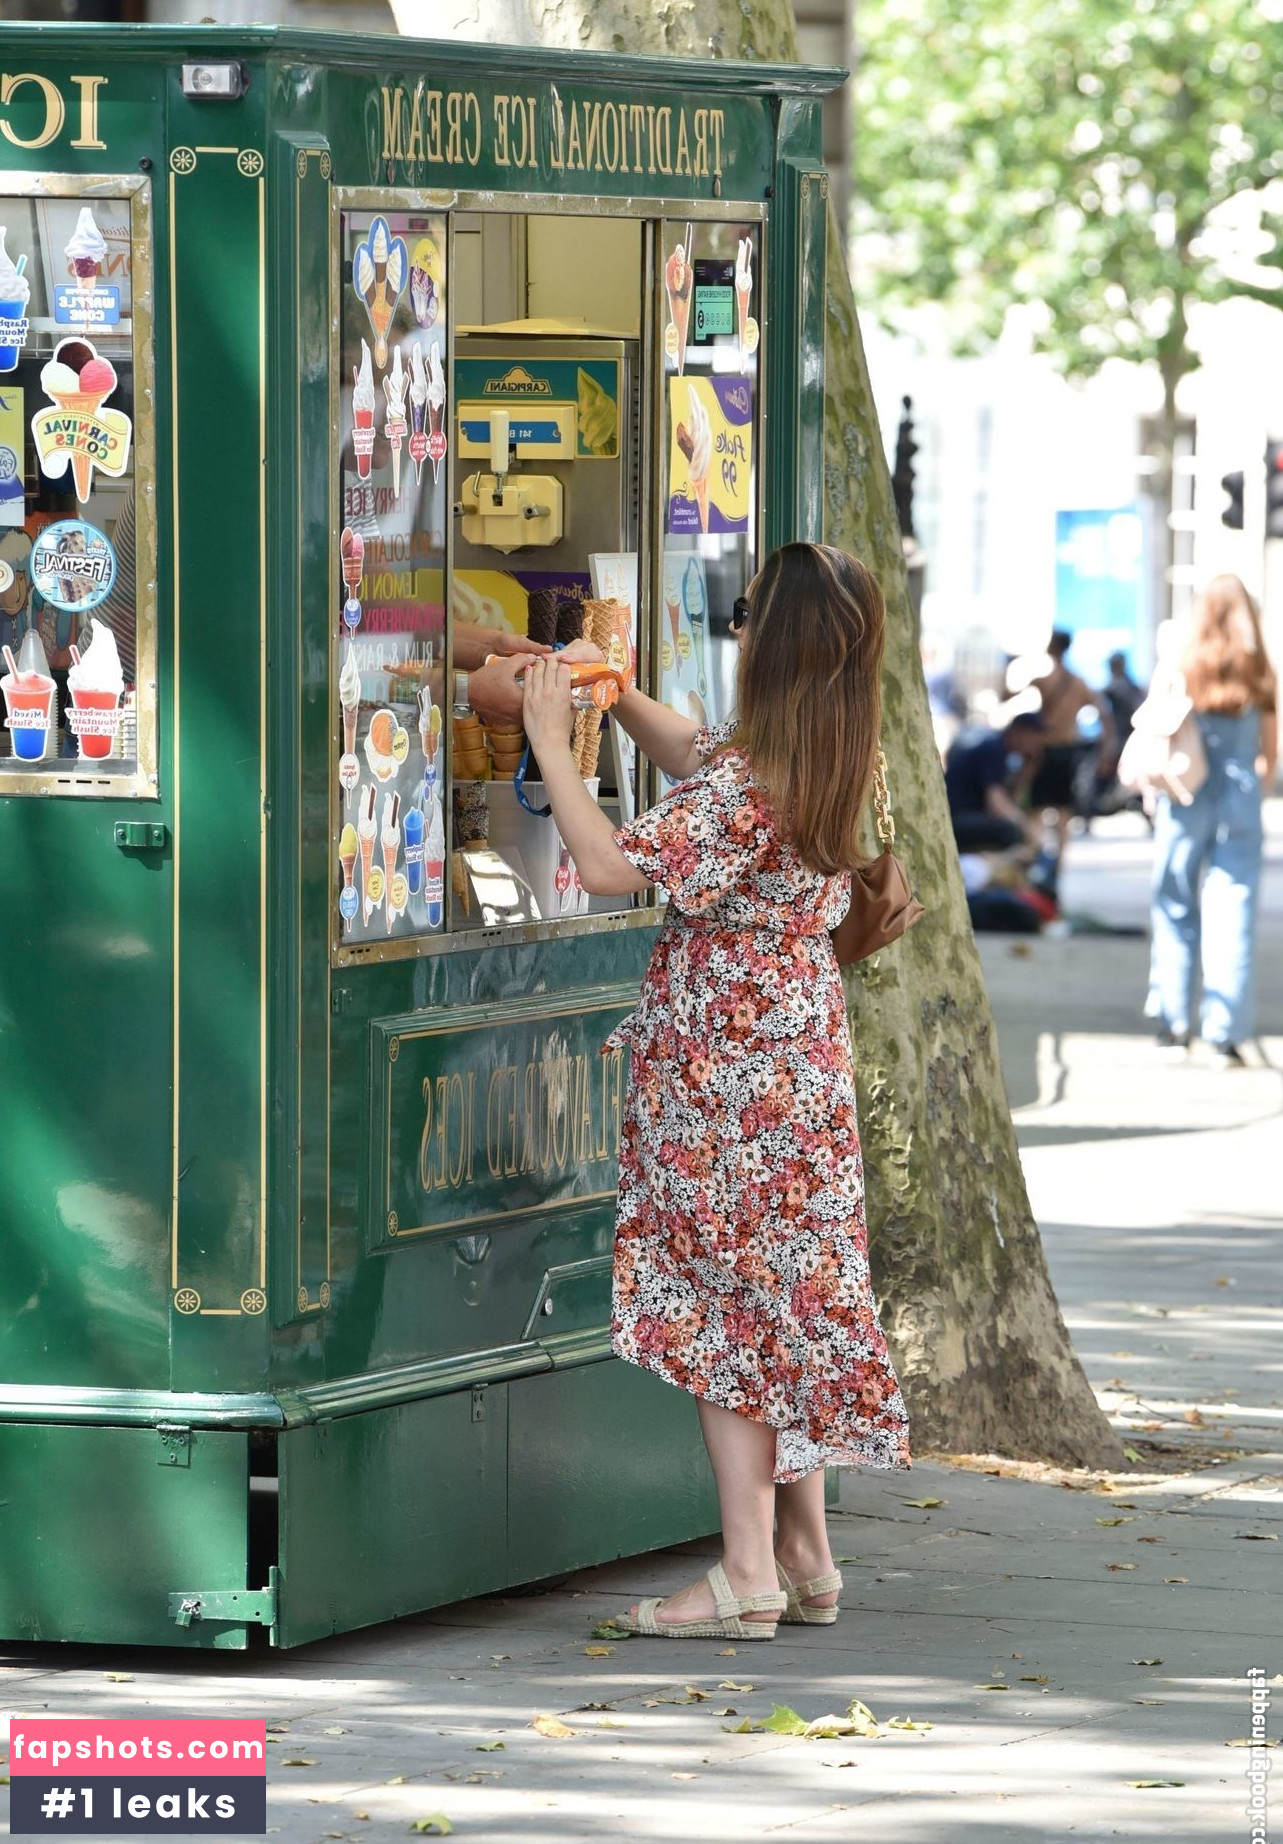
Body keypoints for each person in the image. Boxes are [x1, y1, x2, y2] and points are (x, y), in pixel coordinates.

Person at [521, 542, 911, 1641]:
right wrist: (622, 694)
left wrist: (556, 742)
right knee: (781, 1291)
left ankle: (744, 1569)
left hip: (721, 1069)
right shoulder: (839, 750)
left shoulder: (754, 782)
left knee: (723, 1306)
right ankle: (806, 1553)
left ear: (768, 641)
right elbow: (705, 756)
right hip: (797, 1052)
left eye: (746, 614)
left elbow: (607, 866)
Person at [1149, 576, 1277, 1064]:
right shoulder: (1259, 669)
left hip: (1186, 791)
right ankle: (1224, 1035)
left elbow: (1158, 724)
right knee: (1235, 910)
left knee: (1175, 899)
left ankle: (1173, 1023)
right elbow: (1271, 751)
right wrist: (1253, 789)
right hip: (1240, 794)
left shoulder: (1184, 662)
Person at [1029, 630, 1115, 853]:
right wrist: (1107, 747)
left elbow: (1005, 695)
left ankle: (1036, 857)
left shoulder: (1042, 679)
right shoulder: (1078, 682)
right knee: (1063, 809)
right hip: (1068, 748)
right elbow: (1104, 714)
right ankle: (1057, 862)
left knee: (1038, 808)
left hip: (1045, 748)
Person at [944, 712, 1045, 851]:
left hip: (968, 815)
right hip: (957, 817)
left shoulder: (1006, 754)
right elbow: (996, 804)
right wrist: (1026, 827)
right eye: (1035, 738)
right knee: (1011, 831)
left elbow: (1013, 801)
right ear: (1020, 733)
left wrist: (1028, 770)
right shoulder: (993, 750)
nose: (1037, 745)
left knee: (1015, 829)